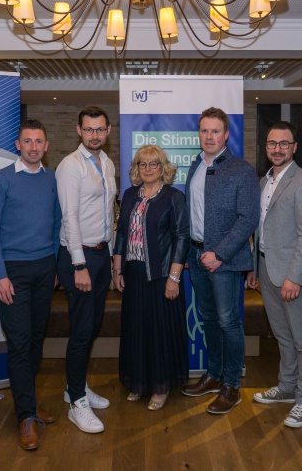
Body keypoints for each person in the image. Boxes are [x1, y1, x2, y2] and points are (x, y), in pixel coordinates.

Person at [0, 119, 61, 450]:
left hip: (44, 268)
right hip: (12, 271)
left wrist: (55, 264)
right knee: (18, 342)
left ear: (45, 146)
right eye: (27, 141)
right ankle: (26, 416)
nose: (32, 146)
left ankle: (26, 400)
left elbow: (58, 223)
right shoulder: (1, 180)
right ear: (18, 144)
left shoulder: (53, 180)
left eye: (38, 141)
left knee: (35, 341)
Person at [181, 107, 260, 414]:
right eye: (204, 131)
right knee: (209, 319)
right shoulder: (194, 166)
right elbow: (192, 212)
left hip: (224, 260)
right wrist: (191, 250)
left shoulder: (241, 169)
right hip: (197, 255)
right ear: (198, 134)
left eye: (215, 131)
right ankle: (214, 375)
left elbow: (248, 218)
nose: (209, 136)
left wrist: (220, 254)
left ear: (226, 134)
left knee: (229, 322)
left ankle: (231, 385)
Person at [246, 122, 302, 428]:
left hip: (291, 274)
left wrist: (295, 276)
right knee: (282, 336)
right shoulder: (264, 182)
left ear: (294, 147)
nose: (277, 149)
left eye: (283, 143)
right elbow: (260, 229)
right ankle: (287, 387)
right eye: (272, 143)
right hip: (266, 268)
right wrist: (253, 267)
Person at [113, 145, 190, 411]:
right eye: (142, 164)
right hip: (133, 276)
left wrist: (174, 277)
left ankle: (160, 386)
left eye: (153, 164)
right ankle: (140, 382)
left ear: (163, 168)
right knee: (137, 331)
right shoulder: (130, 195)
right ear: (136, 168)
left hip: (160, 276)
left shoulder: (173, 197)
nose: (147, 169)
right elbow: (122, 233)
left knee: (159, 333)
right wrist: (117, 269)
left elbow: (182, 237)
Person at [56, 106, 117, 433]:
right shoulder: (70, 166)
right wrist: (79, 264)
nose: (95, 135)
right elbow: (70, 218)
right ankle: (76, 402)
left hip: (100, 256)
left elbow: (108, 215)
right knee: (81, 331)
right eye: (89, 130)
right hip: (78, 259)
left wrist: (110, 257)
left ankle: (73, 387)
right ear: (79, 131)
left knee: (92, 327)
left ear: (107, 131)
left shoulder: (106, 163)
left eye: (100, 129)